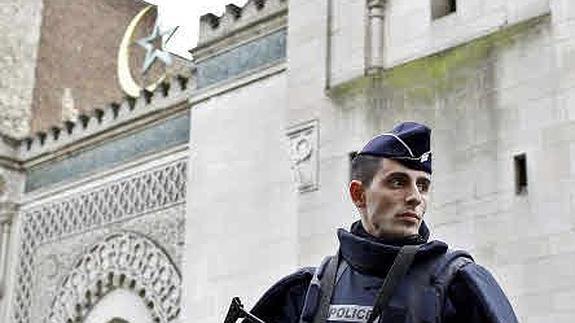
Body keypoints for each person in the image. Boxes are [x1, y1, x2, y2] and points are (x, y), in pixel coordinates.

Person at [247, 122, 518, 323]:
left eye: (422, 186)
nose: (415, 198)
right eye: (398, 182)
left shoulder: (461, 287)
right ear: (358, 194)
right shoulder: (305, 291)